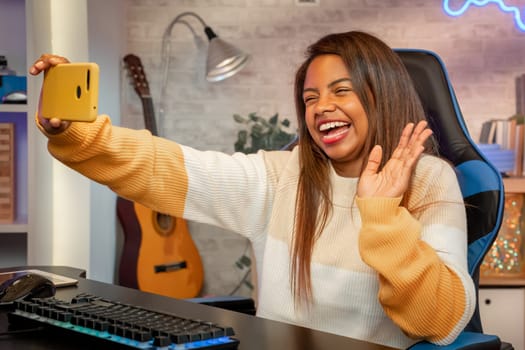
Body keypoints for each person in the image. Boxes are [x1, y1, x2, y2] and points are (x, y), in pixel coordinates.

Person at [30, 31, 474, 349]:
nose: (322, 108)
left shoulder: (431, 179)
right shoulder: (284, 176)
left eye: (343, 91)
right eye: (310, 98)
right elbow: (165, 167)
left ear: (383, 96)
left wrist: (382, 215)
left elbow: (442, 321)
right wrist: (78, 132)